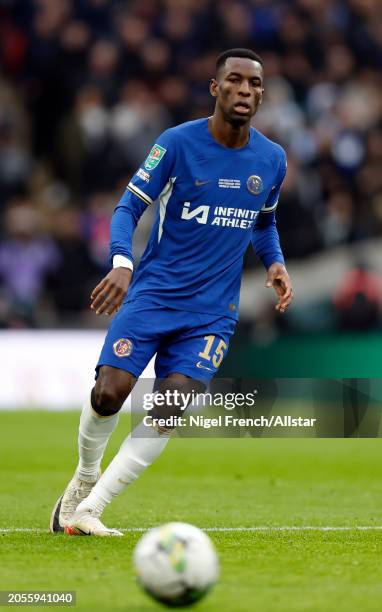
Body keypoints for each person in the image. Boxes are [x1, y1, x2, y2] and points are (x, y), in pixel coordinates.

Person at [50, 48, 293, 536]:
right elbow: (127, 207)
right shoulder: (176, 144)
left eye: (255, 85)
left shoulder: (272, 159)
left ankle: (90, 509)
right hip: (154, 295)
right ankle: (83, 475)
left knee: (169, 407)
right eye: (236, 81)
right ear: (215, 87)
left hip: (212, 313)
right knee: (109, 394)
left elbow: (264, 222)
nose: (246, 91)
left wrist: (276, 262)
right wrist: (122, 263)